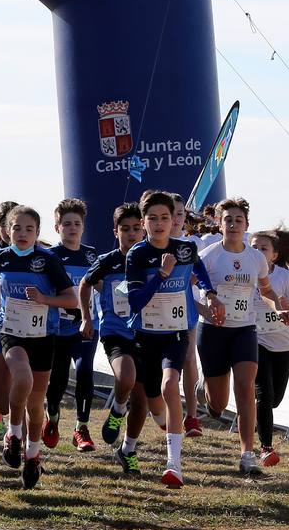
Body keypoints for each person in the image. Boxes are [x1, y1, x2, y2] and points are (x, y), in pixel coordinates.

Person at [125, 191, 220, 488]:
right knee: (154, 404)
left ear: (174, 220)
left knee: (170, 385)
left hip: (176, 333)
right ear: (143, 222)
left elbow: (201, 273)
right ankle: (129, 446)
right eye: (152, 218)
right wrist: (161, 276)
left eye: (165, 217)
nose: (159, 223)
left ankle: (174, 465)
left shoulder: (185, 249)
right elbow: (136, 301)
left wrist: (211, 294)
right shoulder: (137, 255)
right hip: (145, 336)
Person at [0, 206, 77, 489]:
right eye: (17, 229)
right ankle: (13, 433)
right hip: (11, 332)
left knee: (36, 403)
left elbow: (71, 299)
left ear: (37, 232)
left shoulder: (48, 260)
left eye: (29, 229)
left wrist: (45, 300)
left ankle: (33, 455)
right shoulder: (1, 257)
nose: (22, 234)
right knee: (22, 378)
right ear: (6, 231)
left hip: (44, 335)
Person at [198, 197, 280, 474]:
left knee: (246, 386)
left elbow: (266, 290)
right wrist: (205, 309)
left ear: (246, 225)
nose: (233, 224)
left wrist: (279, 306)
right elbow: (184, 288)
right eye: (228, 220)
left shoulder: (256, 258)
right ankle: (206, 393)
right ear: (219, 224)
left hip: (244, 330)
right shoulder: (208, 256)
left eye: (238, 220)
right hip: (213, 332)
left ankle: (247, 454)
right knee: (218, 404)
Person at [78, 203, 145, 471]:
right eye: (125, 229)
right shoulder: (108, 260)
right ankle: (117, 408)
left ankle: (127, 450)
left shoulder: (151, 259)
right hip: (115, 331)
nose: (131, 234)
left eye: (136, 229)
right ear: (115, 232)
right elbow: (84, 283)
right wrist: (86, 317)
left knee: (141, 402)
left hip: (147, 332)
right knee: (125, 377)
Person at [250, 226, 289, 466]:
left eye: (263, 248)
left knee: (274, 399)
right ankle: (266, 447)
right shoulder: (243, 274)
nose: (256, 252)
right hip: (254, 339)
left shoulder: (284, 277)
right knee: (264, 396)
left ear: (274, 255)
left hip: (283, 344)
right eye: (253, 247)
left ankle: (260, 421)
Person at [46, 199, 101, 453]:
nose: (72, 228)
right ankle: (53, 417)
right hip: (57, 327)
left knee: (84, 371)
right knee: (56, 379)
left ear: (83, 226)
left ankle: (81, 427)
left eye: (77, 223)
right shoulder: (50, 256)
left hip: (87, 325)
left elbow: (104, 286)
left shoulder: (92, 255)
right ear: (57, 227)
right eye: (66, 223)